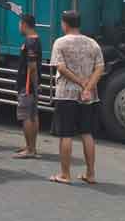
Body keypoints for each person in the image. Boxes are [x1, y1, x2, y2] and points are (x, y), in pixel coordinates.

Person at [48, 11, 103, 185]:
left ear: (65, 24)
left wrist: (79, 82)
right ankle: (90, 173)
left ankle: (65, 174)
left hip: (66, 94)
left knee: (66, 134)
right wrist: (88, 87)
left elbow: (61, 68)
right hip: (88, 96)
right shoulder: (92, 43)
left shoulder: (60, 42)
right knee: (87, 133)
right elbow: (99, 68)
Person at [14, 14, 43, 159]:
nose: (19, 27)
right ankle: (31, 146)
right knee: (33, 115)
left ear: (24, 24)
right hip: (32, 85)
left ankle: (30, 149)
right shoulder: (36, 40)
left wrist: (33, 85)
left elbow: (32, 66)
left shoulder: (30, 42)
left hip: (27, 85)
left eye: (20, 24)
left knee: (26, 116)